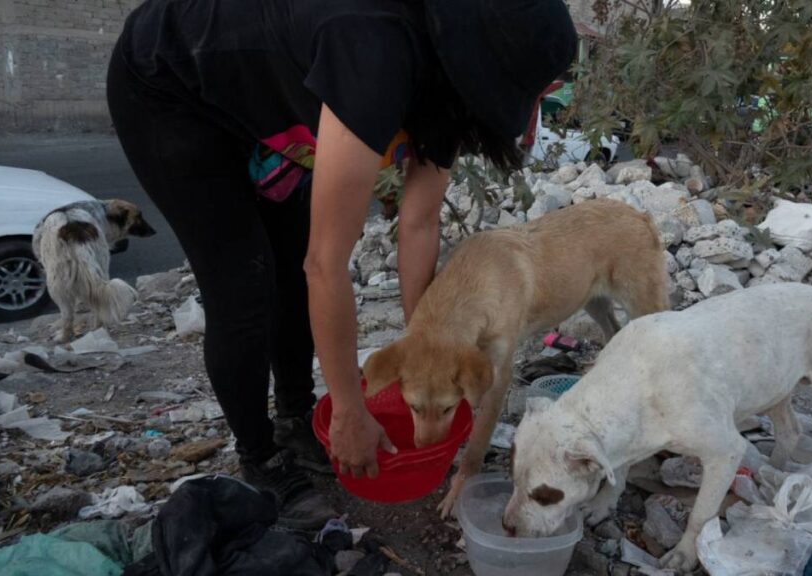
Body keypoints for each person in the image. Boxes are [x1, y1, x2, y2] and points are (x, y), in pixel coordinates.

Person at [107, 0, 577, 528]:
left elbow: (418, 225)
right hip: (168, 85)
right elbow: (326, 265)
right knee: (245, 284)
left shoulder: (446, 89)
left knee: (288, 260)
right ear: (479, 66)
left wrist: (422, 342)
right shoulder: (373, 50)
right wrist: (352, 408)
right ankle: (262, 459)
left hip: (264, 102)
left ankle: (296, 418)